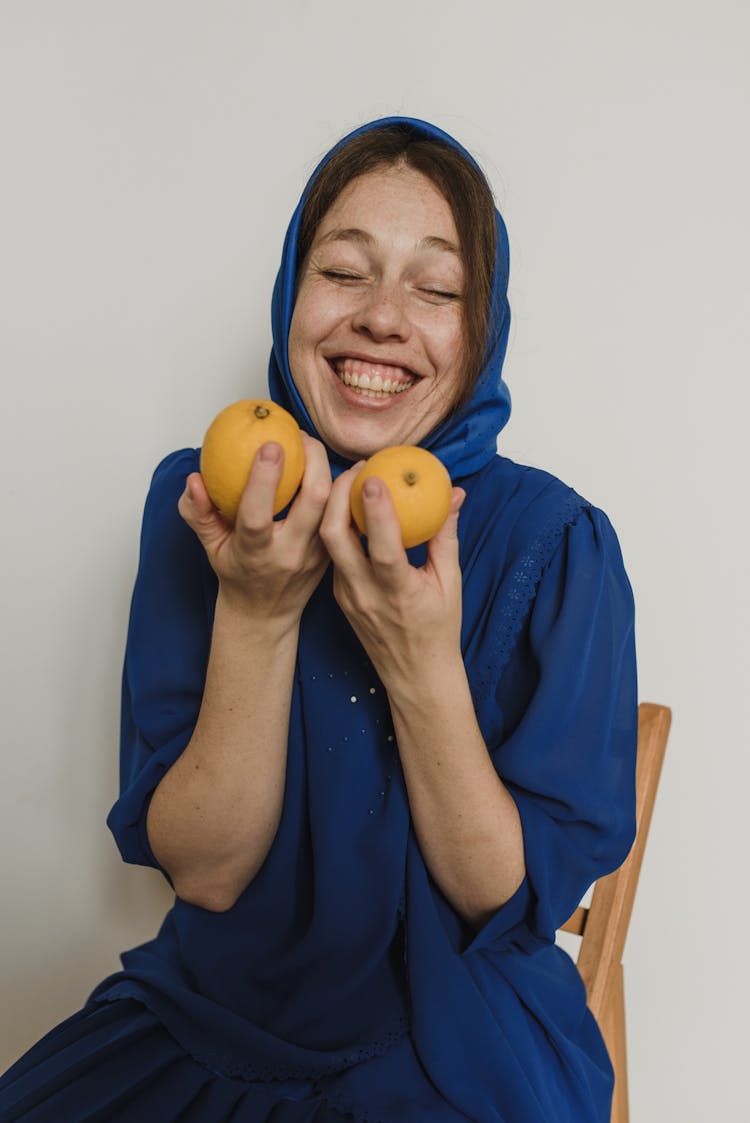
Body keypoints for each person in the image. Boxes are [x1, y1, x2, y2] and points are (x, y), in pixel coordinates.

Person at [0, 117, 637, 1122]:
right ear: (291, 295)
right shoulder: (205, 506)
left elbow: (499, 902)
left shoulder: (554, 542)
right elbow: (206, 875)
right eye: (344, 272)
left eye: (436, 289)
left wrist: (423, 661)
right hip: (211, 1008)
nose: (384, 318)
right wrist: (255, 609)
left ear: (482, 331)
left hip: (460, 1031)